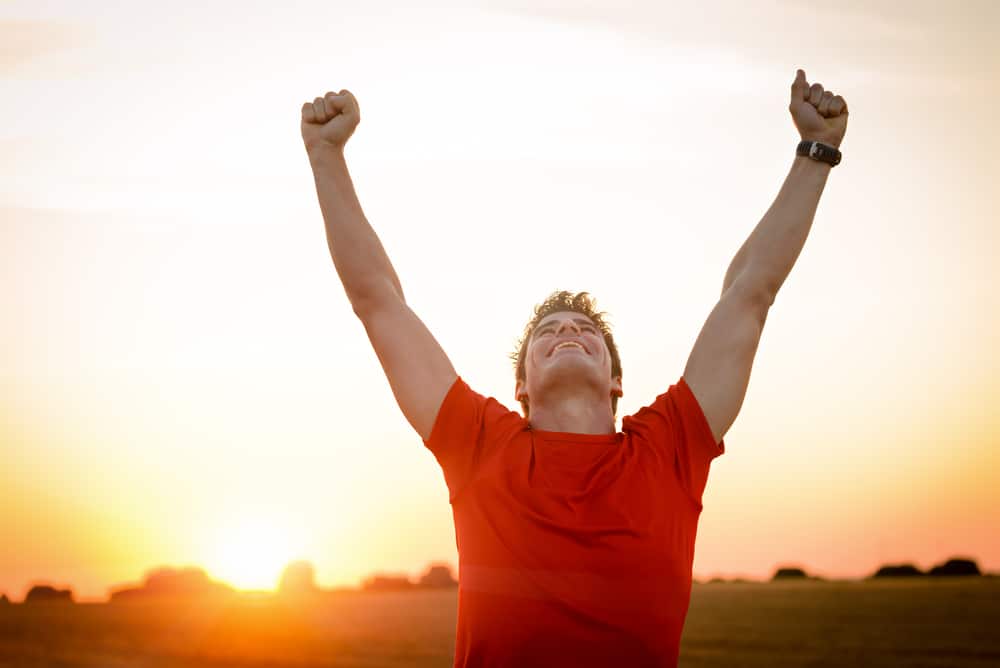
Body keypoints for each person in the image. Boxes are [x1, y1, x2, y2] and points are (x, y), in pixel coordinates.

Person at [300, 68, 848, 668]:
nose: (568, 330)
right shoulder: (479, 444)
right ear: (521, 388)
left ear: (616, 381)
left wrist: (815, 152)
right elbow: (379, 302)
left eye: (586, 330)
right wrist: (327, 154)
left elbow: (748, 294)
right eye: (549, 331)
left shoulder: (670, 448)